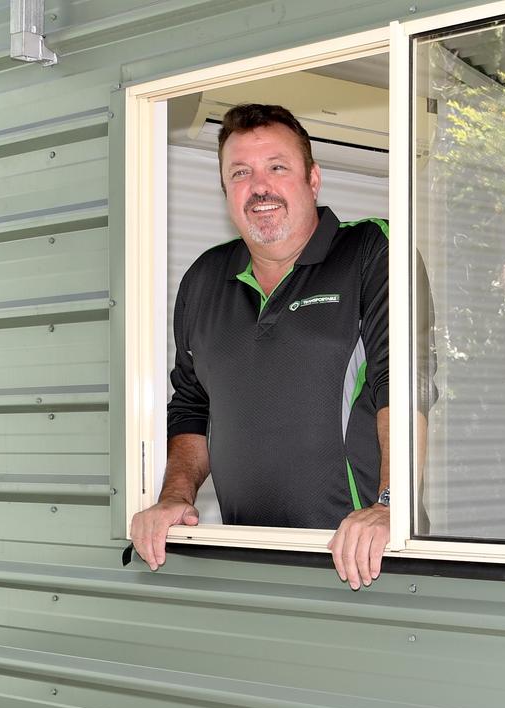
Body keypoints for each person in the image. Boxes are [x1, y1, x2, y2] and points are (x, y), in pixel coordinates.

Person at [130, 103, 426, 590]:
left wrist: (392, 508)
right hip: (250, 562)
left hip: (362, 558)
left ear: (312, 179)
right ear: (225, 189)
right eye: (240, 172)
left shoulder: (373, 250)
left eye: (277, 167)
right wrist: (173, 496)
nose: (259, 186)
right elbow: (192, 404)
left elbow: (404, 384)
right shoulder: (205, 278)